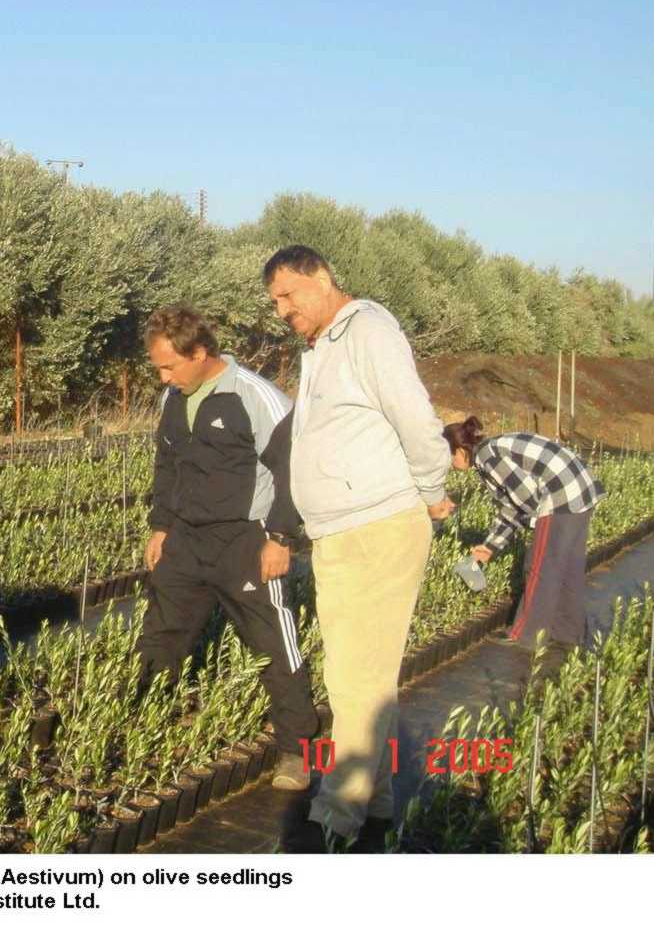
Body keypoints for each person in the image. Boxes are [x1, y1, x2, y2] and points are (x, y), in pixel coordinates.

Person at [264, 245, 454, 843]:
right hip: (342, 531)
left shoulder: (368, 330)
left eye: (288, 295)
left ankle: (334, 818)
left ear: (323, 278)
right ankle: (375, 807)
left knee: (353, 679)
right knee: (366, 675)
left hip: (378, 525)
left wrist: (432, 490)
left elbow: (417, 419)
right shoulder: (321, 347)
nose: (281, 309)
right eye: (274, 301)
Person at [141, 305, 318, 792]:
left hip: (245, 538)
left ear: (200, 353)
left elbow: (294, 469)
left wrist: (280, 538)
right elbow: (168, 464)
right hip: (185, 538)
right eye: (158, 366)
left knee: (273, 644)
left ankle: (295, 750)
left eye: (169, 366)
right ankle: (141, 725)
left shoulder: (257, 397)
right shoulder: (173, 397)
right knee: (161, 634)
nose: (163, 376)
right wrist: (160, 526)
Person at [443, 416, 604, 652]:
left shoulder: (488, 457)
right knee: (568, 568)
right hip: (579, 490)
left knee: (540, 566)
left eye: (449, 458)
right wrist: (491, 546)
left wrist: (535, 529)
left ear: (459, 451)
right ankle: (568, 632)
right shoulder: (491, 450)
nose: (450, 465)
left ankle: (524, 635)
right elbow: (513, 504)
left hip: (559, 495)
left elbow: (525, 500)